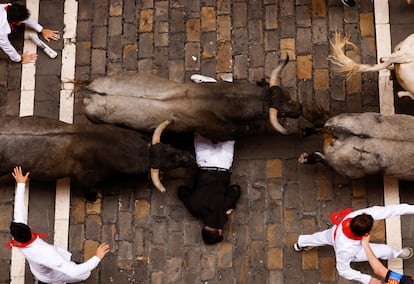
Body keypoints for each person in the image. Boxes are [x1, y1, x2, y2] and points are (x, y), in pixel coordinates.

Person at [8, 166, 110, 284]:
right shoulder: (45, 253)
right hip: (54, 275)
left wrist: (21, 184)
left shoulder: (20, 238)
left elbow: (19, 212)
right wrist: (97, 257)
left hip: (40, 270)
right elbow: (74, 272)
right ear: (29, 228)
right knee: (84, 274)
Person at [293, 205, 414, 284]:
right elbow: (343, 270)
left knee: (320, 237)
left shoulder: (356, 217)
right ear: (366, 233)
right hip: (354, 251)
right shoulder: (346, 250)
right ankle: (397, 253)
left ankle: (301, 242)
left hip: (335, 232)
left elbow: (391, 210)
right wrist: (367, 279)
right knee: (385, 251)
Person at [177, 133, 241, 245]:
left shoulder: (224, 208)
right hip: (204, 162)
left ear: (219, 231)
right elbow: (182, 190)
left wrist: (231, 206)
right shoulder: (194, 209)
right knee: (201, 127)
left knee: (228, 129)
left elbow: (236, 189)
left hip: (223, 163)